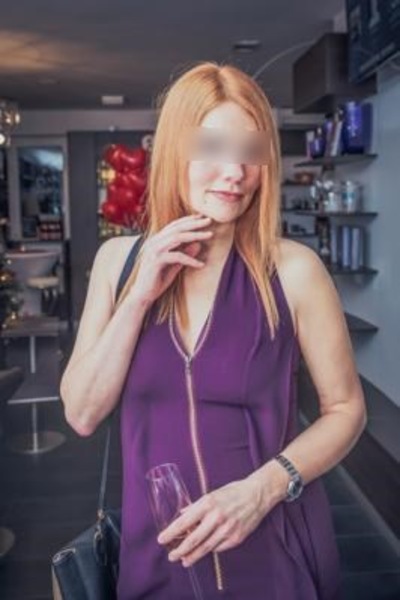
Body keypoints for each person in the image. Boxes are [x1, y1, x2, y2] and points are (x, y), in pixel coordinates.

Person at [60, 62, 366, 600]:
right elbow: (82, 413)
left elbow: (346, 410)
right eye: (212, 147)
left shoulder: (294, 270)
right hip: (158, 553)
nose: (235, 171)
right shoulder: (117, 262)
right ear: (173, 151)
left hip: (275, 545)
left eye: (250, 151)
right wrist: (140, 295)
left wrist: (263, 489)